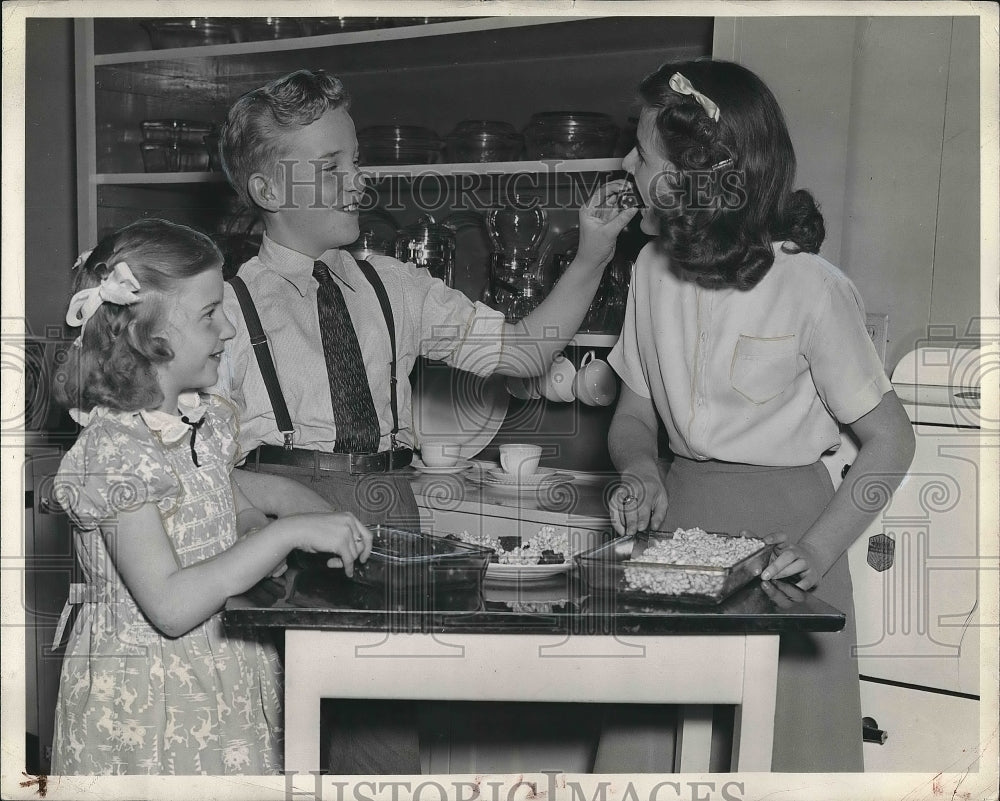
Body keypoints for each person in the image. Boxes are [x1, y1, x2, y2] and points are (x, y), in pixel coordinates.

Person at [213, 69, 636, 774]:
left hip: (389, 515)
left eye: (356, 159)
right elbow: (205, 469)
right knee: (275, 730)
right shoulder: (223, 307)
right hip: (277, 528)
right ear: (268, 191)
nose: (357, 180)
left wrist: (593, 253)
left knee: (377, 738)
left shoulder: (394, 284)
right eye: (331, 166)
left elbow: (523, 350)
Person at [599, 60, 915, 773]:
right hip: (680, 530)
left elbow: (892, 439)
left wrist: (820, 550)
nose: (625, 163)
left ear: (691, 180)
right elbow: (634, 410)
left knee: (782, 754)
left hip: (790, 546)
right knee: (652, 754)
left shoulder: (812, 286)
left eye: (641, 155)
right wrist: (641, 469)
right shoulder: (649, 268)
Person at [49, 219, 373, 775]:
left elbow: (218, 493)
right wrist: (286, 532)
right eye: (209, 314)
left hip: (224, 666)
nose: (228, 330)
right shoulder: (110, 455)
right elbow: (171, 607)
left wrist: (253, 521)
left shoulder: (204, 419)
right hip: (150, 699)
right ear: (145, 336)